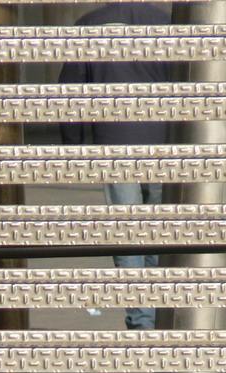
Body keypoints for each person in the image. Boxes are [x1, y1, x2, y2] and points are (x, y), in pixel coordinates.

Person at [58, 2, 171, 331]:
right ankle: (162, 311)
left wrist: (73, 142)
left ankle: (141, 319)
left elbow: (70, 90)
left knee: (126, 230)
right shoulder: (165, 22)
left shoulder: (90, 24)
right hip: (164, 139)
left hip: (113, 139)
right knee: (161, 231)